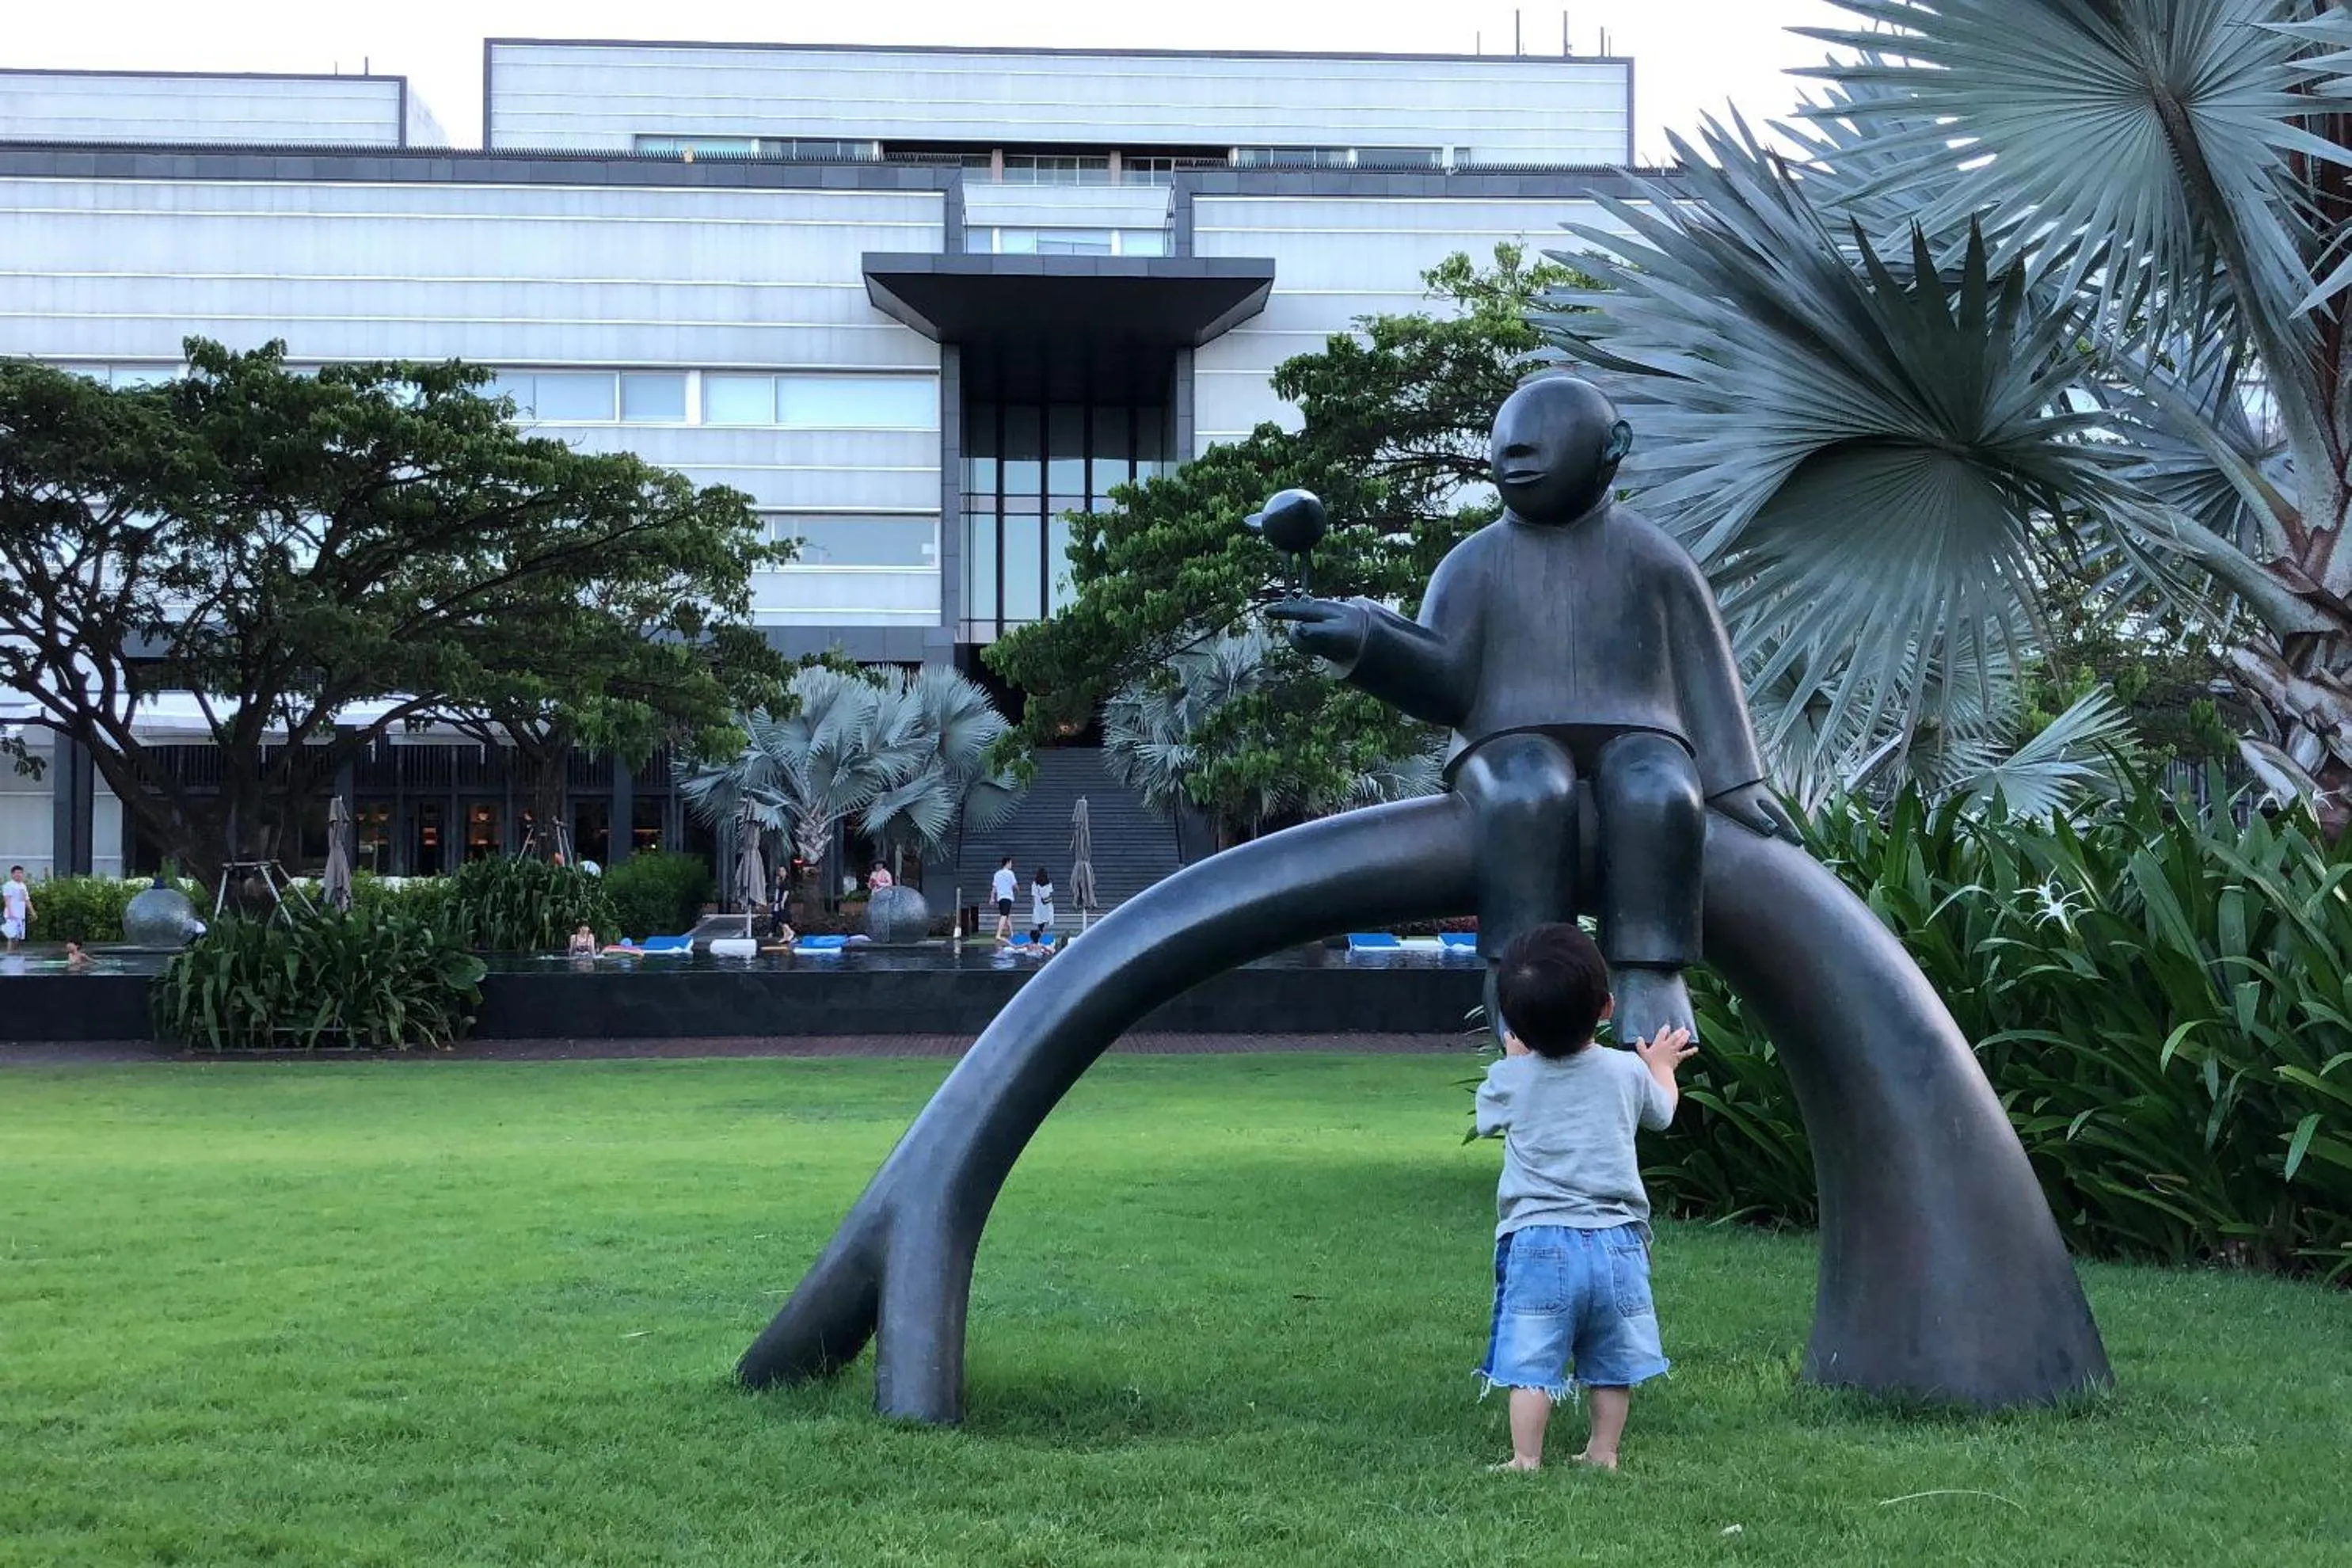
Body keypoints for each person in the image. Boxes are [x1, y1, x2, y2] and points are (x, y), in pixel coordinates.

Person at [1265, 375, 1798, 1049]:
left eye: (1539, 438)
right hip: (1504, 741)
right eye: (1506, 443)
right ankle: (1519, 974)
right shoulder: (1473, 563)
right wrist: (1366, 640)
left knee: (1659, 789)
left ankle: (1649, 969)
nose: (1514, 454)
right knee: (1526, 790)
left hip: (1641, 733)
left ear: (1614, 449)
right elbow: (1445, 680)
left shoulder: (1652, 557)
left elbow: (1704, 671)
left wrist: (1735, 780)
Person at [1472, 921, 1695, 1474]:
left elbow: (1487, 1120)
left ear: (1513, 1024)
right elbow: (1663, 1114)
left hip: (1539, 1242)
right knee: (1611, 1359)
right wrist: (1661, 1067)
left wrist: (1519, 1059)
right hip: (1619, 1245)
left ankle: (1526, 1458)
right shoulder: (1625, 1071)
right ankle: (1604, 1451)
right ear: (1607, 1008)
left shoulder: (1511, 1078)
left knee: (1531, 1358)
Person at [2, 866, 31, 951]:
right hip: (11, 916)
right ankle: (9, 953)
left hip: (20, 915)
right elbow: (7, 899)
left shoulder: (22, 886)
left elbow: (25, 899)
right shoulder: (9, 885)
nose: (19, 875)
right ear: (12, 874)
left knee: (18, 936)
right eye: (17, 873)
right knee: (11, 936)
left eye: (20, 873)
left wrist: (32, 912)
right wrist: (10, 912)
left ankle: (15, 953)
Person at [991, 856, 1018, 943]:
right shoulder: (1010, 873)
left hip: (1000, 897)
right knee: (1004, 915)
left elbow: (994, 887)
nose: (1011, 865)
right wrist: (1018, 889)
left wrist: (992, 897)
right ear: (1007, 863)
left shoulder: (997, 874)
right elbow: (1015, 885)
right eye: (1011, 863)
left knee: (1007, 915)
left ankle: (1012, 933)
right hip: (1007, 897)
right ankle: (998, 934)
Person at [1030, 866, 1056, 945]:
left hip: (1038, 903)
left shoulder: (1035, 883)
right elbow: (1050, 893)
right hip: (1047, 903)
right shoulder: (1049, 883)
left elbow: (1033, 894)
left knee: (1040, 920)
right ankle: (1042, 933)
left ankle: (1040, 933)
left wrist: (1033, 904)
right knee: (1045, 919)